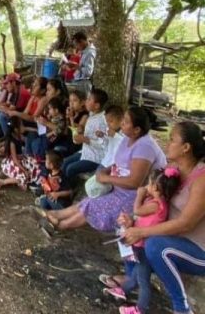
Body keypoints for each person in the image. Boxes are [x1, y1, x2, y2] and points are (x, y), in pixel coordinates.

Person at [120, 122, 205, 314]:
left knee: (155, 245)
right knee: (131, 235)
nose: (167, 143)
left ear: (186, 147)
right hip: (176, 241)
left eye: (172, 139)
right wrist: (133, 222)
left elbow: (186, 224)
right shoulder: (172, 170)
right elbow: (156, 207)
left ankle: (181, 308)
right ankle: (129, 282)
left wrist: (142, 231)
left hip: (199, 250)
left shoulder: (201, 179)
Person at [42, 107, 167, 233]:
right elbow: (118, 163)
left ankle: (59, 226)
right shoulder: (127, 138)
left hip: (135, 195)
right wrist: (104, 171)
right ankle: (56, 215)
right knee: (89, 200)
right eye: (123, 119)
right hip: (120, 188)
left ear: (137, 130)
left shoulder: (145, 147)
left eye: (126, 121)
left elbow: (135, 182)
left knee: (93, 206)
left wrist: (106, 178)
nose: (122, 122)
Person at [103, 168, 181, 314]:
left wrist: (139, 194)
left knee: (143, 281)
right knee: (135, 276)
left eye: (150, 184)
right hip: (142, 245)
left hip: (144, 247)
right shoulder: (159, 202)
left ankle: (140, 309)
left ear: (157, 189)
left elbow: (138, 210)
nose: (147, 186)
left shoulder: (156, 205)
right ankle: (122, 290)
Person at [61, 88, 109, 187]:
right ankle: (61, 188)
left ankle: (68, 191)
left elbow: (105, 144)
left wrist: (86, 140)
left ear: (97, 105)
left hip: (96, 158)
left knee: (70, 168)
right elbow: (77, 132)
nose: (86, 102)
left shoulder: (102, 120)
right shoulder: (91, 115)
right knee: (65, 162)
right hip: (86, 152)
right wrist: (71, 118)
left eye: (89, 100)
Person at [64, 31, 96, 95]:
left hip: (84, 82)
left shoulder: (89, 53)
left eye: (77, 44)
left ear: (82, 41)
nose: (77, 47)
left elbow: (88, 72)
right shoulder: (84, 51)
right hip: (78, 80)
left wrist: (77, 66)